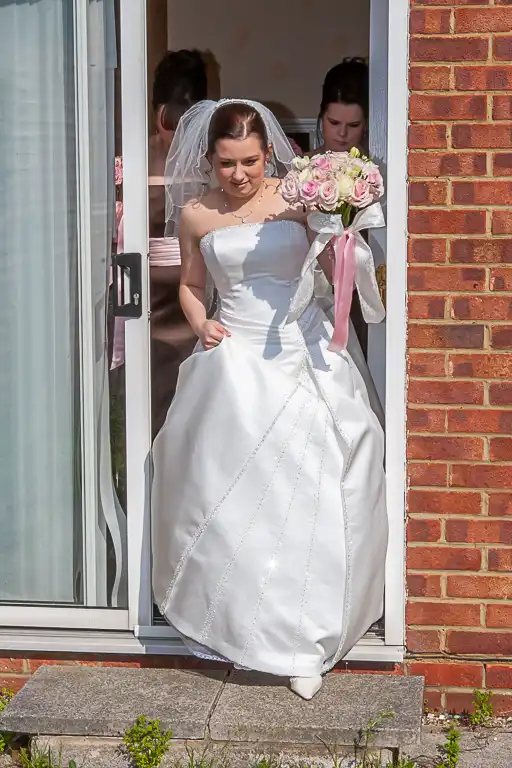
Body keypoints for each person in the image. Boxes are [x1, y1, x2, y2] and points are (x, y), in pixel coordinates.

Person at [151, 99, 388, 700]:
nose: (240, 175)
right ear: (209, 160)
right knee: (235, 499)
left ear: (268, 154)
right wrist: (201, 323)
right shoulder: (197, 216)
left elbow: (334, 265)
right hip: (236, 361)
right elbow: (190, 285)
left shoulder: (297, 197)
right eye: (227, 163)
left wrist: (344, 227)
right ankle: (233, 621)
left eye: (251, 161)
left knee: (313, 486)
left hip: (303, 349)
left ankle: (308, 635)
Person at [112, 50, 207, 436]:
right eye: (171, 121)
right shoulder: (132, 160)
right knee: (149, 400)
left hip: (198, 295)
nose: (178, 135)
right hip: (146, 298)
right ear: (156, 112)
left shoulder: (214, 161)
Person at [312, 58, 384, 425]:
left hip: (366, 292)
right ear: (320, 116)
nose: (341, 134)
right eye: (333, 123)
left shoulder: (378, 174)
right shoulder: (302, 172)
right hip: (313, 298)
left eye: (353, 125)